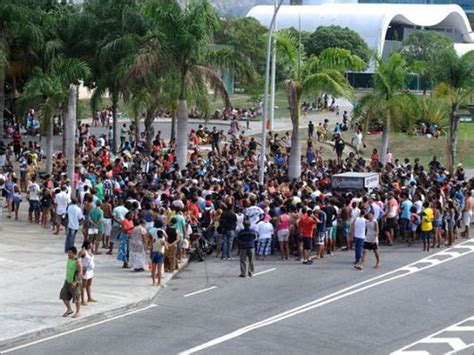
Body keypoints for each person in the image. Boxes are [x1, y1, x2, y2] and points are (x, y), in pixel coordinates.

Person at [59, 246, 82, 318]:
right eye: (68, 252)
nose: (68, 254)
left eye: (70, 252)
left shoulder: (77, 261)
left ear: (74, 253)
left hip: (74, 282)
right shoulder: (69, 258)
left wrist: (76, 282)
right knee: (63, 295)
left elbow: (80, 272)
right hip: (67, 281)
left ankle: (78, 312)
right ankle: (69, 309)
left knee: (76, 297)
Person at [149, 220, 168, 287]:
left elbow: (150, 245)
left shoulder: (154, 239)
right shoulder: (162, 240)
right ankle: (159, 282)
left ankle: (153, 282)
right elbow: (166, 246)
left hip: (154, 253)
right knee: (159, 269)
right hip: (160, 254)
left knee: (153, 269)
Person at [80, 240, 97, 306]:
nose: (92, 245)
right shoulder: (83, 251)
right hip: (85, 271)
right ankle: (82, 300)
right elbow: (78, 259)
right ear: (87, 245)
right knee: (83, 286)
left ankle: (89, 298)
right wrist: (81, 268)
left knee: (89, 285)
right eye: (91, 244)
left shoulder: (90, 250)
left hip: (90, 271)